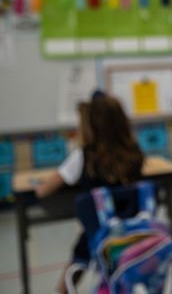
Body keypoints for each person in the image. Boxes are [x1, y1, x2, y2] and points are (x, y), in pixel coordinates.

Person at [35, 92, 144, 294]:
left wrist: (38, 186)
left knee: (82, 249)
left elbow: (44, 190)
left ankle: (64, 290)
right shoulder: (134, 152)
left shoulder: (82, 156)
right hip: (134, 231)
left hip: (98, 234)